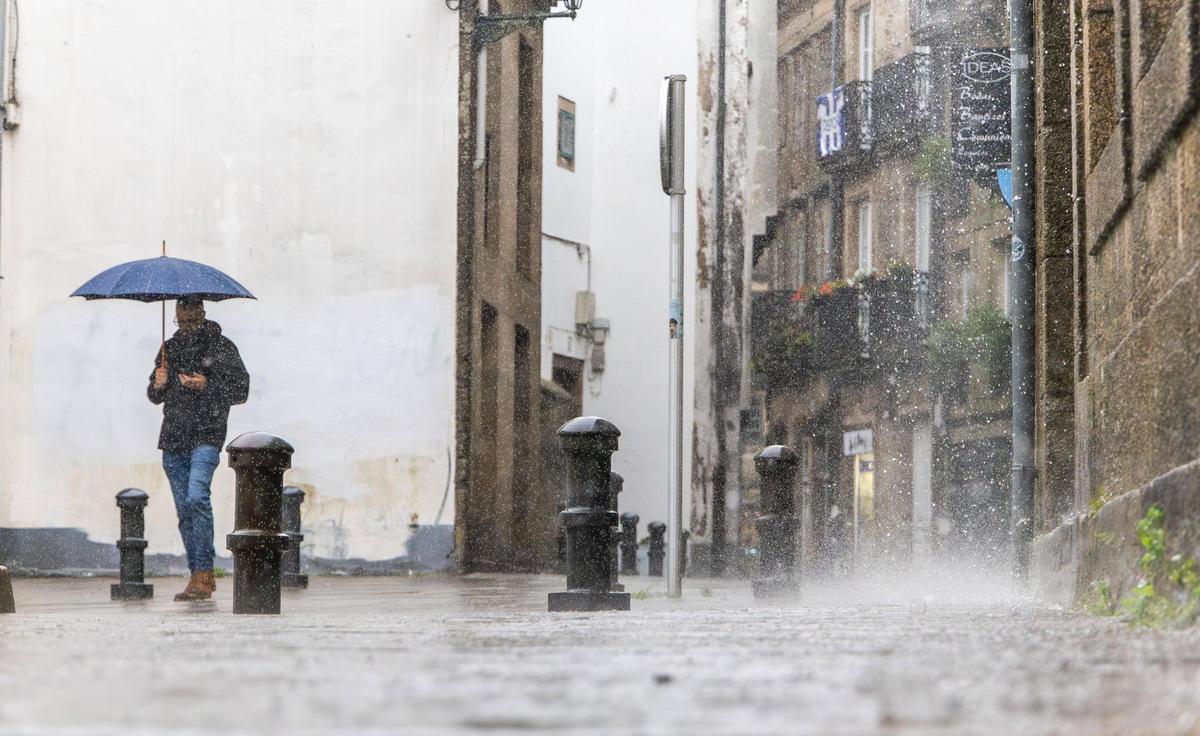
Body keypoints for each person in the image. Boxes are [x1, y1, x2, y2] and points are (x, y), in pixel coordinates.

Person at [148, 297, 249, 601]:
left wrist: (207, 385)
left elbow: (241, 390)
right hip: (173, 438)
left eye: (190, 319)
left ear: (202, 314)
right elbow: (154, 395)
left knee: (196, 499)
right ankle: (197, 574)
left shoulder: (222, 347)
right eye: (180, 320)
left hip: (207, 434)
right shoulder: (169, 348)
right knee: (184, 511)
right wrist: (158, 383)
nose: (185, 325)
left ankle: (204, 572)